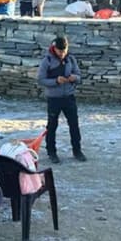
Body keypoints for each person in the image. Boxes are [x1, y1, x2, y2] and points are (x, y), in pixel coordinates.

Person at [36, 35, 85, 163]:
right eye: (60, 51)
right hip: (54, 98)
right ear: (54, 48)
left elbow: (79, 75)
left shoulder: (71, 59)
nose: (62, 54)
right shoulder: (47, 61)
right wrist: (55, 81)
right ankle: (51, 152)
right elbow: (41, 79)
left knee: (74, 125)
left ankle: (77, 150)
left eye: (64, 51)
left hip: (69, 96)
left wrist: (75, 78)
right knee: (52, 126)